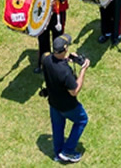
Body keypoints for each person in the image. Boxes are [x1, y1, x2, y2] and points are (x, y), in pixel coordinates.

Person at [41, 34, 90, 163]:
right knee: (82, 120)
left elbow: (48, 58)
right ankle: (68, 151)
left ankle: (58, 153)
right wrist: (83, 69)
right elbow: (74, 91)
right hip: (68, 105)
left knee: (57, 127)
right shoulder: (64, 72)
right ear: (65, 49)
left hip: (53, 102)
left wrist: (65, 59)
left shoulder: (46, 60)